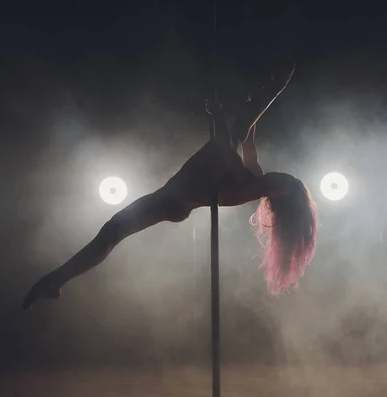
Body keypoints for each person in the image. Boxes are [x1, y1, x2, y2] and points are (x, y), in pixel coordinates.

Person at [23, 68, 318, 309]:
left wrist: (221, 115)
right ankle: (55, 281)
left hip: (174, 202)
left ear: (278, 196)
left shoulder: (247, 188)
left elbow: (232, 148)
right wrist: (259, 105)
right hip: (176, 195)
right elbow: (248, 143)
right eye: (289, 176)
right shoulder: (256, 178)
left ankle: (55, 281)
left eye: (286, 183)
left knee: (112, 232)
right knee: (111, 232)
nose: (283, 175)